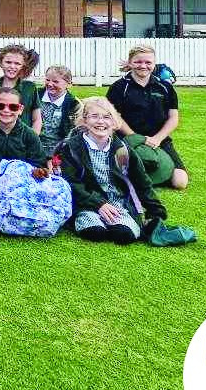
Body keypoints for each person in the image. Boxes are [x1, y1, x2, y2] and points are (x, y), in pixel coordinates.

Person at [59, 96, 168, 245]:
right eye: (94, 117)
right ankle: (90, 222)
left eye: (106, 117)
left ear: (114, 121)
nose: (100, 122)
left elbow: (142, 181)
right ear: (84, 120)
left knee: (123, 235)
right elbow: (71, 183)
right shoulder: (72, 148)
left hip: (118, 204)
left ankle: (117, 223)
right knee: (95, 232)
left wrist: (156, 211)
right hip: (87, 204)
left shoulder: (123, 150)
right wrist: (99, 204)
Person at [107, 45, 188, 189]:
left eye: (148, 62)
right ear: (130, 62)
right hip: (128, 140)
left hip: (159, 140)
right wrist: (136, 139)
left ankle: (150, 173)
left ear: (154, 64)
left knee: (180, 182)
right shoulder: (119, 87)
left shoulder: (165, 87)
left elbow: (173, 118)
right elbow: (115, 117)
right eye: (138, 62)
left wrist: (157, 138)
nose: (143, 66)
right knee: (120, 181)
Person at [0, 86, 47, 211]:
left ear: (20, 109)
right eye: (0, 106)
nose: (6, 111)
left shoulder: (29, 134)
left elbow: (38, 163)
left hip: (24, 185)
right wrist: (0, 184)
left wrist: (21, 183)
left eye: (13, 107)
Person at [0, 44, 43, 133]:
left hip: (23, 140)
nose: (12, 66)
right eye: (8, 62)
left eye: (17, 63)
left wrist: (32, 140)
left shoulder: (29, 88)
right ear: (1, 63)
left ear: (23, 65)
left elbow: (37, 119)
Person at [37, 65, 79, 158]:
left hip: (59, 152)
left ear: (69, 84)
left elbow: (76, 133)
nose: (50, 84)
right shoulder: (35, 96)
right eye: (47, 80)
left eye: (55, 81)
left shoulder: (74, 104)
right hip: (34, 147)